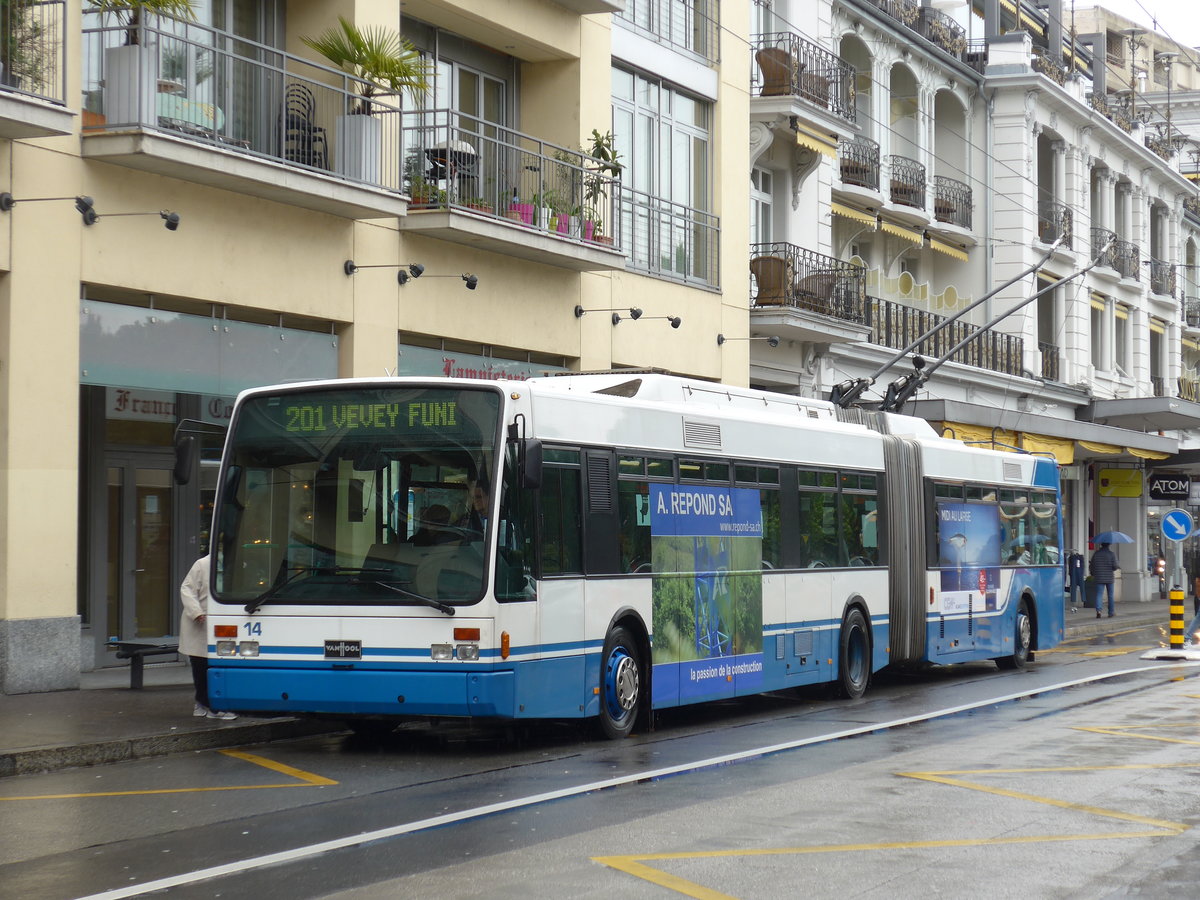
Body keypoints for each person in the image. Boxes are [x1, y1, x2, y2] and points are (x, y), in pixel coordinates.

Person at [179, 555, 237, 720]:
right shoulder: (202, 564)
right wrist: (196, 612)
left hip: (224, 625)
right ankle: (205, 704)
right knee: (201, 666)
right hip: (201, 624)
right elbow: (187, 589)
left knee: (221, 666)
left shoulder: (239, 563)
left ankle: (212, 704)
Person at [1089, 542, 1120, 619]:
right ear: (1108, 545)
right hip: (1109, 577)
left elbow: (1092, 565)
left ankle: (1098, 611)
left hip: (1099, 577)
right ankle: (1111, 612)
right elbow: (1115, 566)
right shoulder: (1111, 554)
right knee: (1110, 595)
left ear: (1101, 545)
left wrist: (1093, 573)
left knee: (1099, 594)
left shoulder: (1096, 554)